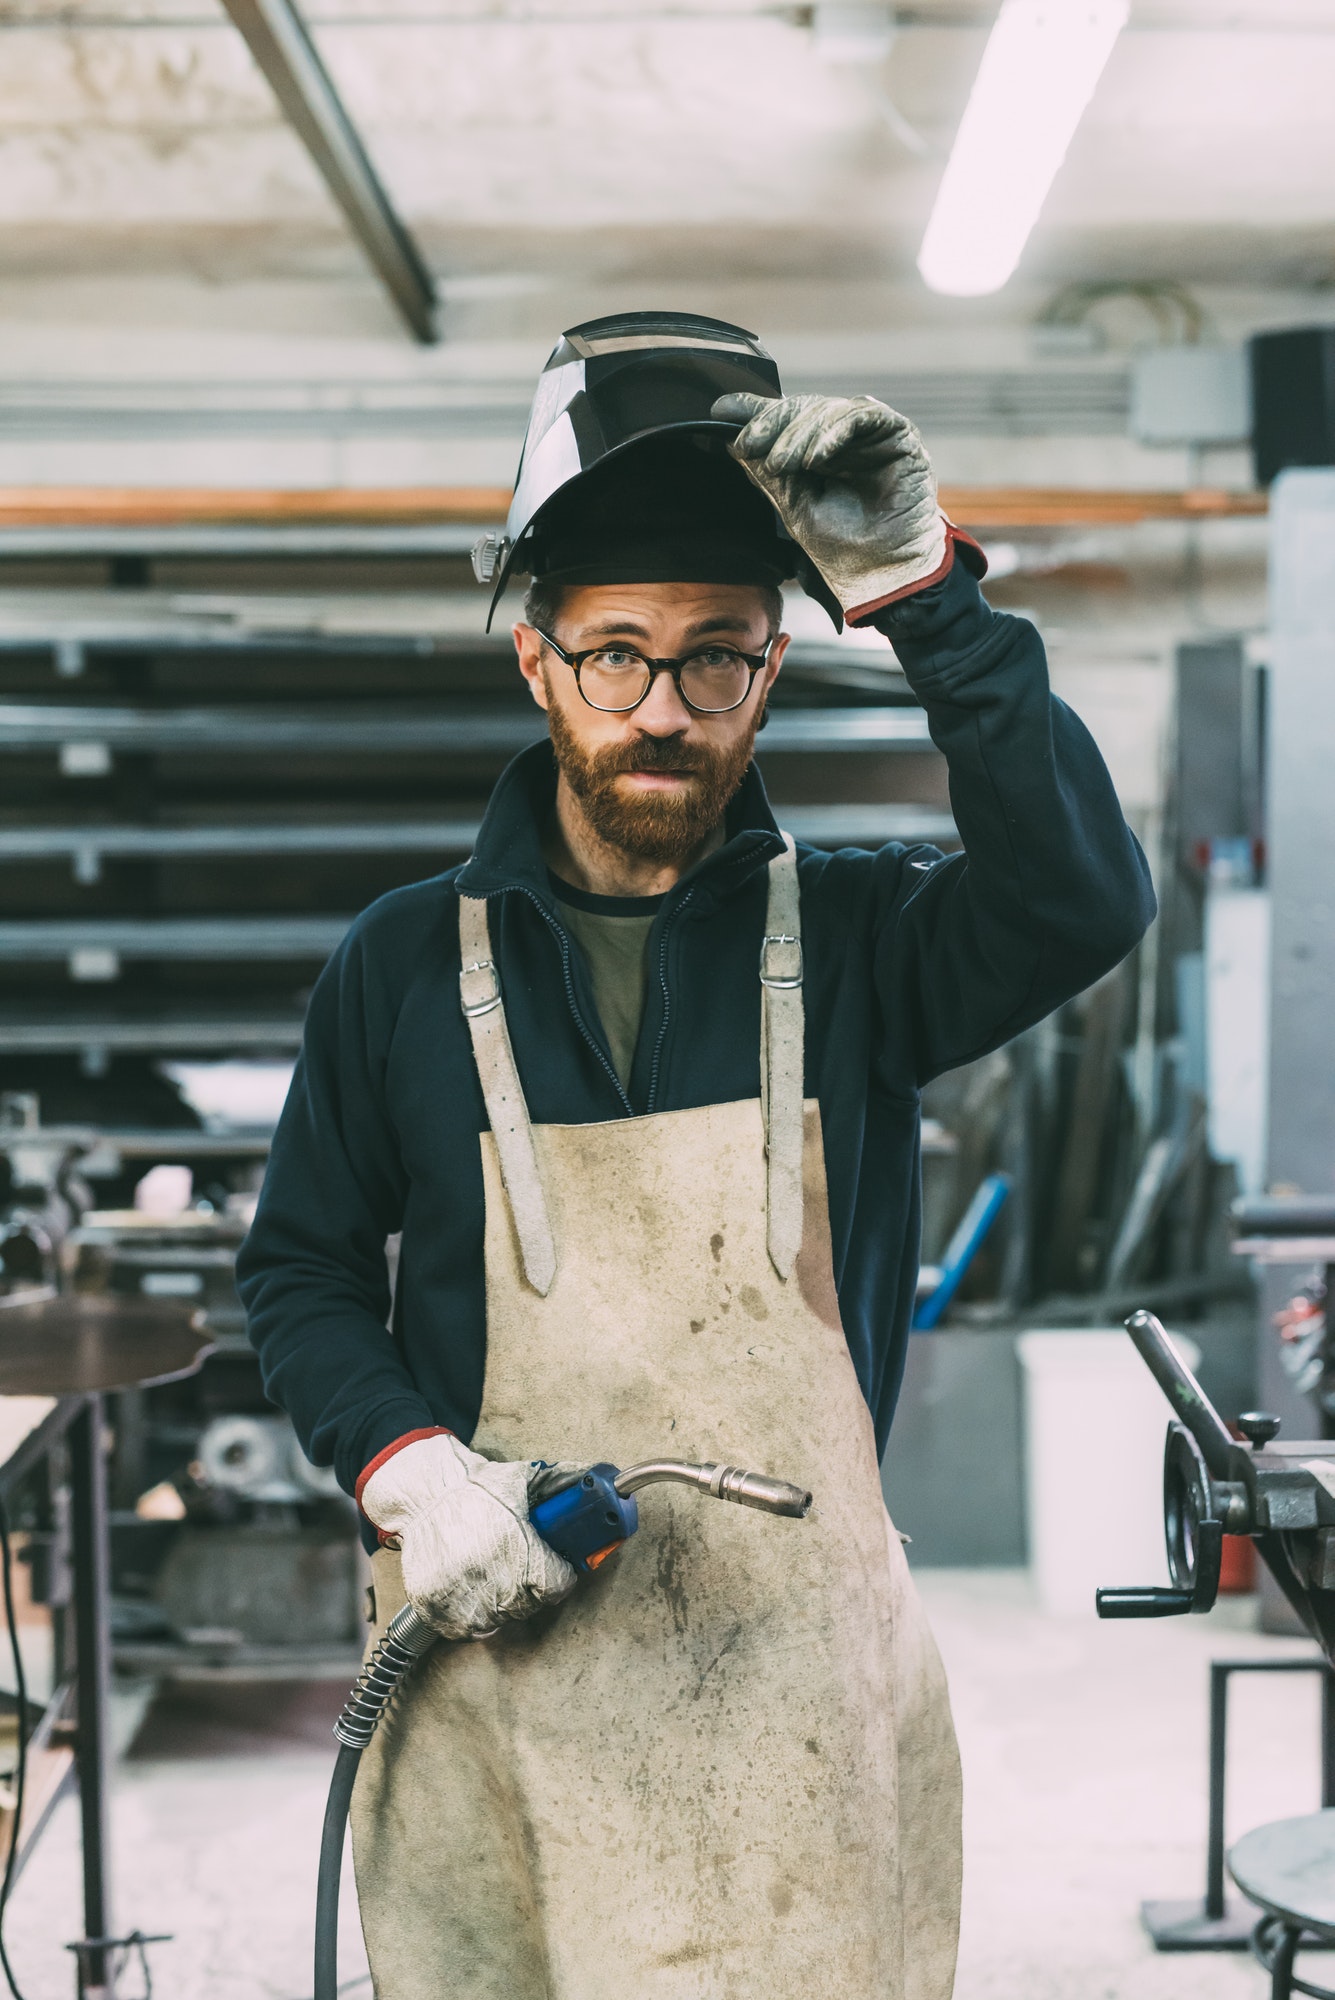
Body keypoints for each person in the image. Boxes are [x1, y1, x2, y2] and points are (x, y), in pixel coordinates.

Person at [238, 312, 1155, 2000]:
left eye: (716, 656)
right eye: (615, 654)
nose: (660, 709)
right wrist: (406, 1468)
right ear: (539, 662)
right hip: (488, 1671)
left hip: (798, 1704)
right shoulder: (395, 965)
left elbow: (1085, 895)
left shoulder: (871, 938)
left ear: (775, 670)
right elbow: (297, 1271)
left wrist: (932, 601)